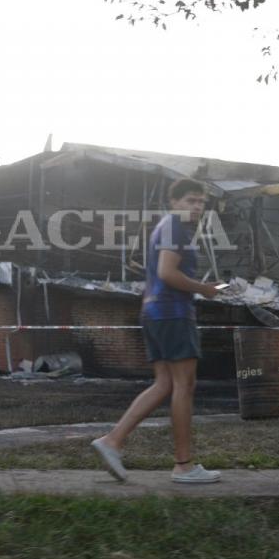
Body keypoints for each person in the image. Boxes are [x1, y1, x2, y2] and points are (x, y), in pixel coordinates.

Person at [90, 178, 224, 484]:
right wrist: (204, 289)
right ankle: (184, 465)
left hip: (153, 311)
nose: (197, 207)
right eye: (190, 200)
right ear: (174, 202)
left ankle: (112, 441)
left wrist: (201, 288)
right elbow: (167, 272)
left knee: (164, 384)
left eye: (201, 202)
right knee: (183, 386)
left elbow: (164, 273)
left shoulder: (167, 227)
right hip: (173, 313)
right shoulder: (175, 227)